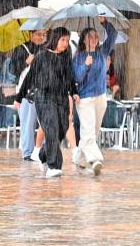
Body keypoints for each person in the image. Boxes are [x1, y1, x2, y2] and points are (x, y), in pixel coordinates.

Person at [14, 27, 80, 178]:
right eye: (63, 40)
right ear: (55, 39)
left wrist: (74, 92)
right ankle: (54, 166)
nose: (65, 43)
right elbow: (30, 77)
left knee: (61, 129)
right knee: (51, 127)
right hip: (43, 97)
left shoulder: (65, 57)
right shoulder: (42, 55)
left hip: (61, 97)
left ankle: (44, 154)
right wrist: (19, 97)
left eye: (67, 40)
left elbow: (69, 76)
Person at [72, 17, 117, 176]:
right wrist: (85, 65)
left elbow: (113, 34)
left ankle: (79, 157)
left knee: (93, 131)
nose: (94, 39)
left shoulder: (102, 52)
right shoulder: (78, 57)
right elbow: (76, 78)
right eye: (90, 36)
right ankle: (95, 159)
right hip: (85, 99)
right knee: (88, 130)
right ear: (83, 40)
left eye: (96, 36)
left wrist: (104, 22)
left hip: (101, 97)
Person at [11, 29, 47, 161]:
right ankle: (27, 152)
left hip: (42, 89)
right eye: (38, 34)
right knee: (28, 122)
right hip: (25, 91)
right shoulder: (21, 48)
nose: (41, 37)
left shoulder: (45, 49)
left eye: (43, 34)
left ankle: (42, 151)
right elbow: (13, 70)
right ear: (30, 34)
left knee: (44, 122)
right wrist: (26, 62)